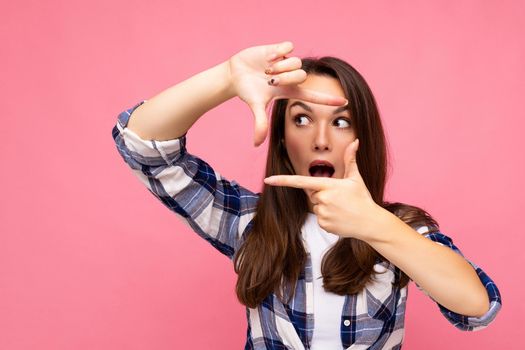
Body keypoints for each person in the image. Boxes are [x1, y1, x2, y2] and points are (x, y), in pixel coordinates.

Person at [112, 41, 501, 349]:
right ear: (283, 137)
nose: (320, 140)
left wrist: (377, 225)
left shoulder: (398, 229)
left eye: (341, 122)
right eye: (302, 118)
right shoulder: (247, 223)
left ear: (362, 137)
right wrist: (226, 78)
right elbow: (143, 146)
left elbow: (478, 307)